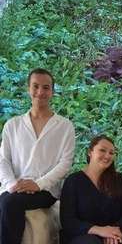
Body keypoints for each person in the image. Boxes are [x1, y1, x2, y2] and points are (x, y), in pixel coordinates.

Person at [0, 69, 76, 244]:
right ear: (28, 89)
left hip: (45, 191)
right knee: (7, 201)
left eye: (46, 87)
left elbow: (65, 164)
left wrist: (38, 184)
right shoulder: (13, 125)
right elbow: (3, 159)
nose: (40, 92)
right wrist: (12, 184)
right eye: (35, 86)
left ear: (52, 92)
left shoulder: (65, 126)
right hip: (15, 186)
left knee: (10, 203)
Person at [58, 135, 122, 244]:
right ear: (90, 152)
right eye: (102, 150)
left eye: (111, 153)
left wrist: (113, 233)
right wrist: (100, 231)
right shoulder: (73, 181)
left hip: (112, 237)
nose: (107, 156)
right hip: (81, 237)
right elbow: (68, 221)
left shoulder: (119, 180)